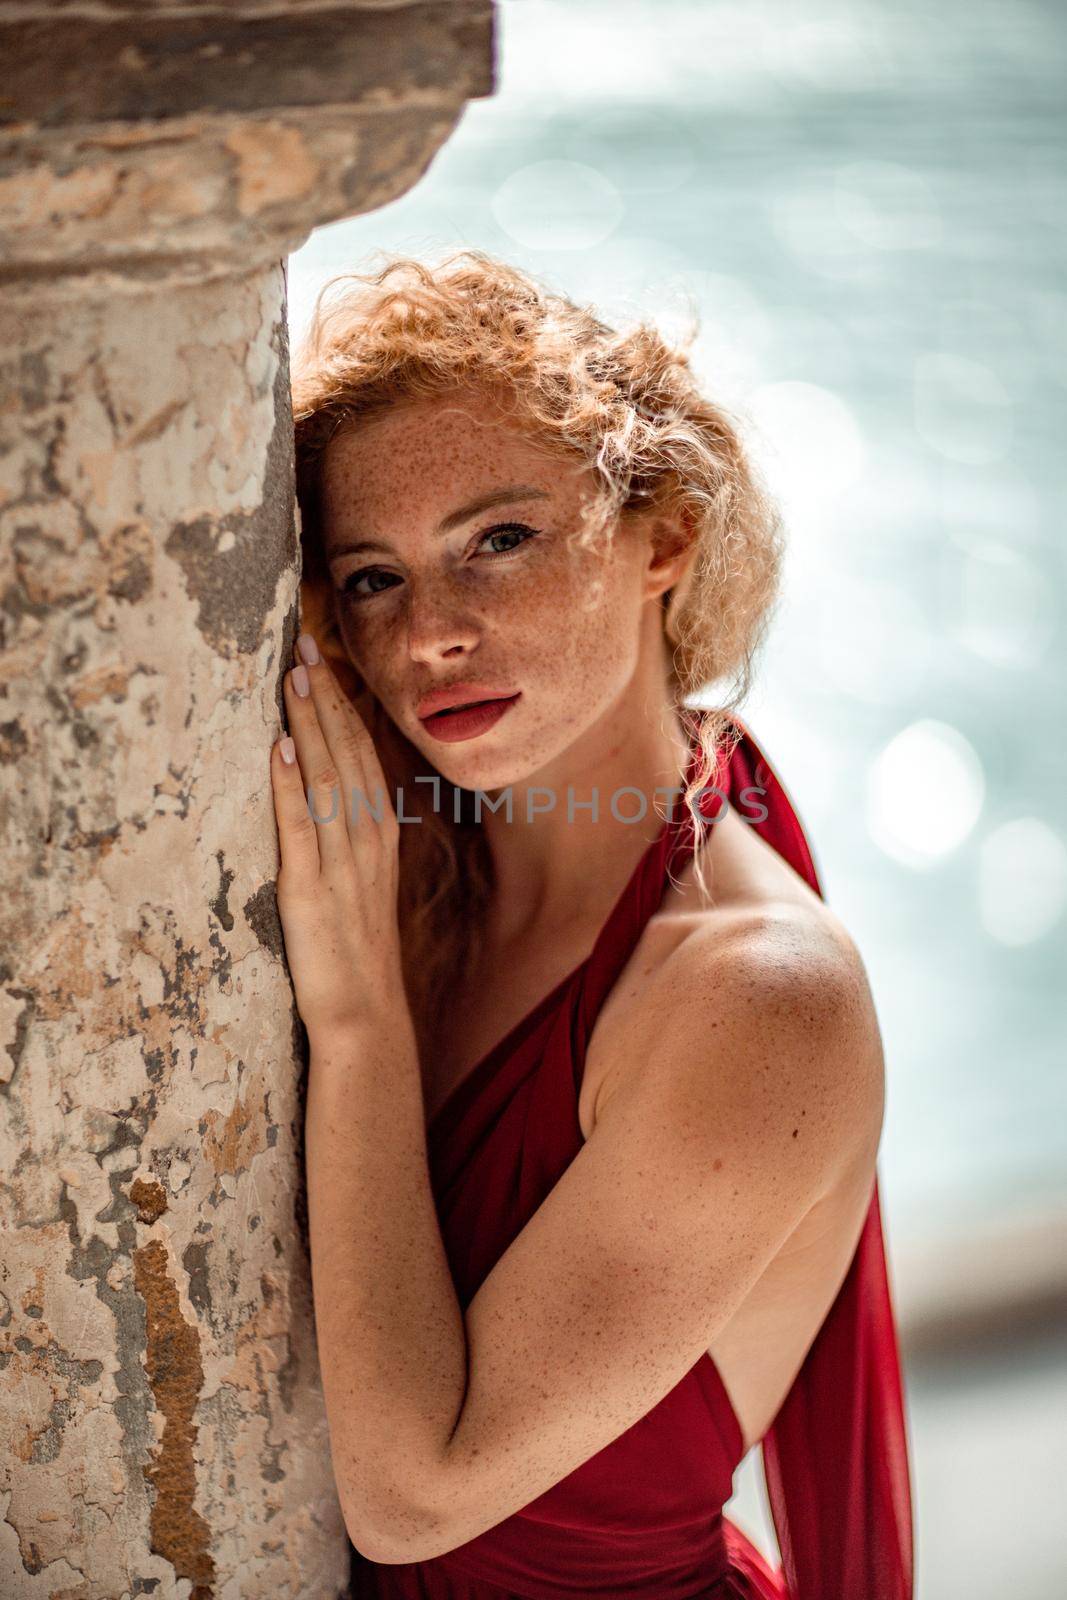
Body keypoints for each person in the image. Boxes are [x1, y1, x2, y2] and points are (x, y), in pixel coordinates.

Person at [272, 249, 915, 1598]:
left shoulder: (757, 994)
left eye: (499, 541)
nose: (434, 632)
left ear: (662, 537)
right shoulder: (410, 865)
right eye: (375, 578)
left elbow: (413, 1495)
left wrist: (360, 1017)